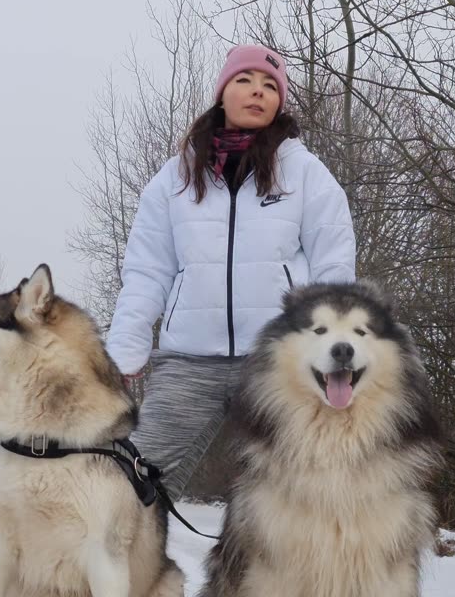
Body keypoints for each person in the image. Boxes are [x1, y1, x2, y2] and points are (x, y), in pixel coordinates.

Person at [104, 44, 357, 500]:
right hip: (188, 362)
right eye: (245, 81)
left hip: (277, 363)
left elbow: (334, 270)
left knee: (296, 498)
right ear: (222, 92)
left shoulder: (305, 173)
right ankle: (130, 571)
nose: (257, 92)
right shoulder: (174, 178)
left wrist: (335, 356)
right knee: (129, 487)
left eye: (269, 86)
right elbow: (147, 271)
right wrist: (125, 347)